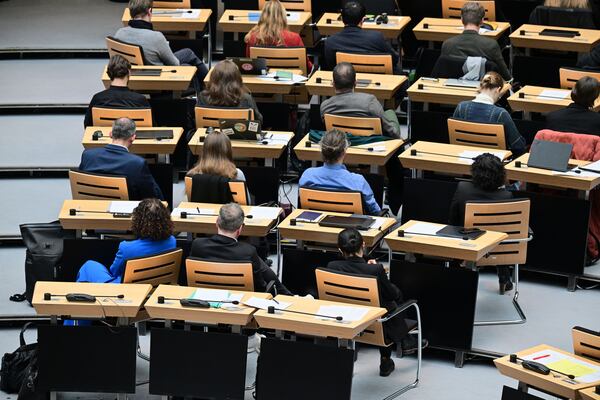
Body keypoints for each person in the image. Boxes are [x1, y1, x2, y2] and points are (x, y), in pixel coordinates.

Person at [325, 229, 428, 376]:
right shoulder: (375, 269)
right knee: (391, 300)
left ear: (340, 249)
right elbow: (393, 294)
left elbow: (352, 265)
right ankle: (392, 352)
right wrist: (378, 273)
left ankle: (405, 340)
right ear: (364, 245)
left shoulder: (332, 267)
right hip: (376, 326)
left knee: (382, 302)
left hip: (346, 322)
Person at [190, 203, 291, 295]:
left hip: (204, 296)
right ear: (240, 229)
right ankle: (290, 296)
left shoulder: (197, 245)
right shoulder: (248, 252)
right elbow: (260, 288)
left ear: (217, 222)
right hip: (240, 300)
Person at [449, 153, 514, 294]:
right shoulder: (506, 196)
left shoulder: (462, 188)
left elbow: (452, 220)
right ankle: (504, 278)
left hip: (467, 244)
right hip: (496, 248)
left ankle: (455, 276)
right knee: (500, 237)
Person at [76, 198, 176, 283]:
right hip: (157, 286)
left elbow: (113, 272)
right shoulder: (172, 241)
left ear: (138, 222)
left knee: (88, 266)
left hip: (124, 290)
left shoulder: (126, 248)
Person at [114, 0, 208, 91]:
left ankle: (209, 86)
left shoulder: (119, 34)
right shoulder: (156, 37)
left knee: (187, 53)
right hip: (158, 76)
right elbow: (175, 64)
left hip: (131, 76)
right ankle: (210, 85)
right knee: (188, 62)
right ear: (150, 11)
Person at [299, 129, 381, 215]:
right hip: (352, 226)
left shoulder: (307, 175)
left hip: (314, 225)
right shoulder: (358, 181)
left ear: (322, 151)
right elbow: (375, 211)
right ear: (344, 152)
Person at [79, 117, 164, 200]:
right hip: (127, 211)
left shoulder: (87, 156)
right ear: (133, 137)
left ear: (110, 134)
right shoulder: (137, 164)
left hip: (92, 208)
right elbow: (154, 197)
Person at [453, 72, 526, 156]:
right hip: (492, 163)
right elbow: (518, 146)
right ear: (498, 90)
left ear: (480, 87)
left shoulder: (461, 107)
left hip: (464, 157)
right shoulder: (500, 114)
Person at [321, 62, 401, 139]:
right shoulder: (369, 102)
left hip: (340, 146)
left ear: (333, 84)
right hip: (370, 145)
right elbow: (391, 131)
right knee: (390, 113)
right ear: (355, 83)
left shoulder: (325, 107)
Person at [440, 2, 512, 81]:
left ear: (462, 19)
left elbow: (443, 73)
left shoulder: (447, 44)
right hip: (483, 89)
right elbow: (506, 77)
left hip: (453, 88)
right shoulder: (491, 45)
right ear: (482, 21)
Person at [324, 1, 400, 74]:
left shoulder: (331, 41)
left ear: (342, 20)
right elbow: (395, 59)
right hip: (379, 80)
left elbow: (331, 67)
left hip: (345, 82)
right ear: (363, 20)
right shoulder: (376, 38)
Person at [244, 0, 312, 72]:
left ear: (262, 16)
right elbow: (307, 67)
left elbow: (249, 65)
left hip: (263, 79)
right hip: (289, 79)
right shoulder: (294, 38)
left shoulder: (252, 37)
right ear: (283, 16)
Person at [84, 55, 149, 128]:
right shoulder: (140, 100)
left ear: (109, 73)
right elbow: (152, 127)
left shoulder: (98, 98)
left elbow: (87, 126)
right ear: (129, 72)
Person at [197, 60, 263, 124]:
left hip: (210, 133)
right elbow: (259, 121)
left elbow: (197, 120)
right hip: (239, 134)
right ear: (237, 78)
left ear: (213, 77)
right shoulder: (246, 98)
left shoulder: (202, 97)